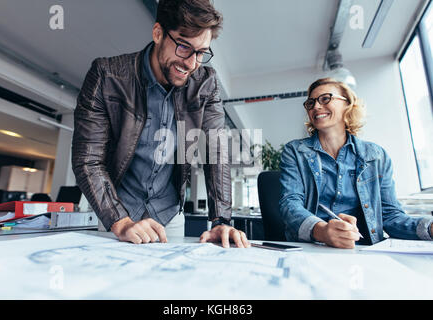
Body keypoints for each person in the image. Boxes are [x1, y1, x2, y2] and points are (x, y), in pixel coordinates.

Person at [72, 0, 250, 248]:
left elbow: (215, 152)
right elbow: (87, 159)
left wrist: (220, 219)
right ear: (158, 33)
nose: (191, 63)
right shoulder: (107, 75)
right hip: (116, 214)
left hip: (169, 215)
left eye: (201, 53)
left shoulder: (206, 83)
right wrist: (120, 221)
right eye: (184, 47)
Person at [279, 77, 433, 248]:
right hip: (311, 247)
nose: (315, 106)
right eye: (310, 103)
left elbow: (390, 216)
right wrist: (322, 231)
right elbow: (290, 203)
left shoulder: (376, 156)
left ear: (348, 104)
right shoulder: (295, 151)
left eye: (325, 99)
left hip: (362, 249)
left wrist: (430, 228)